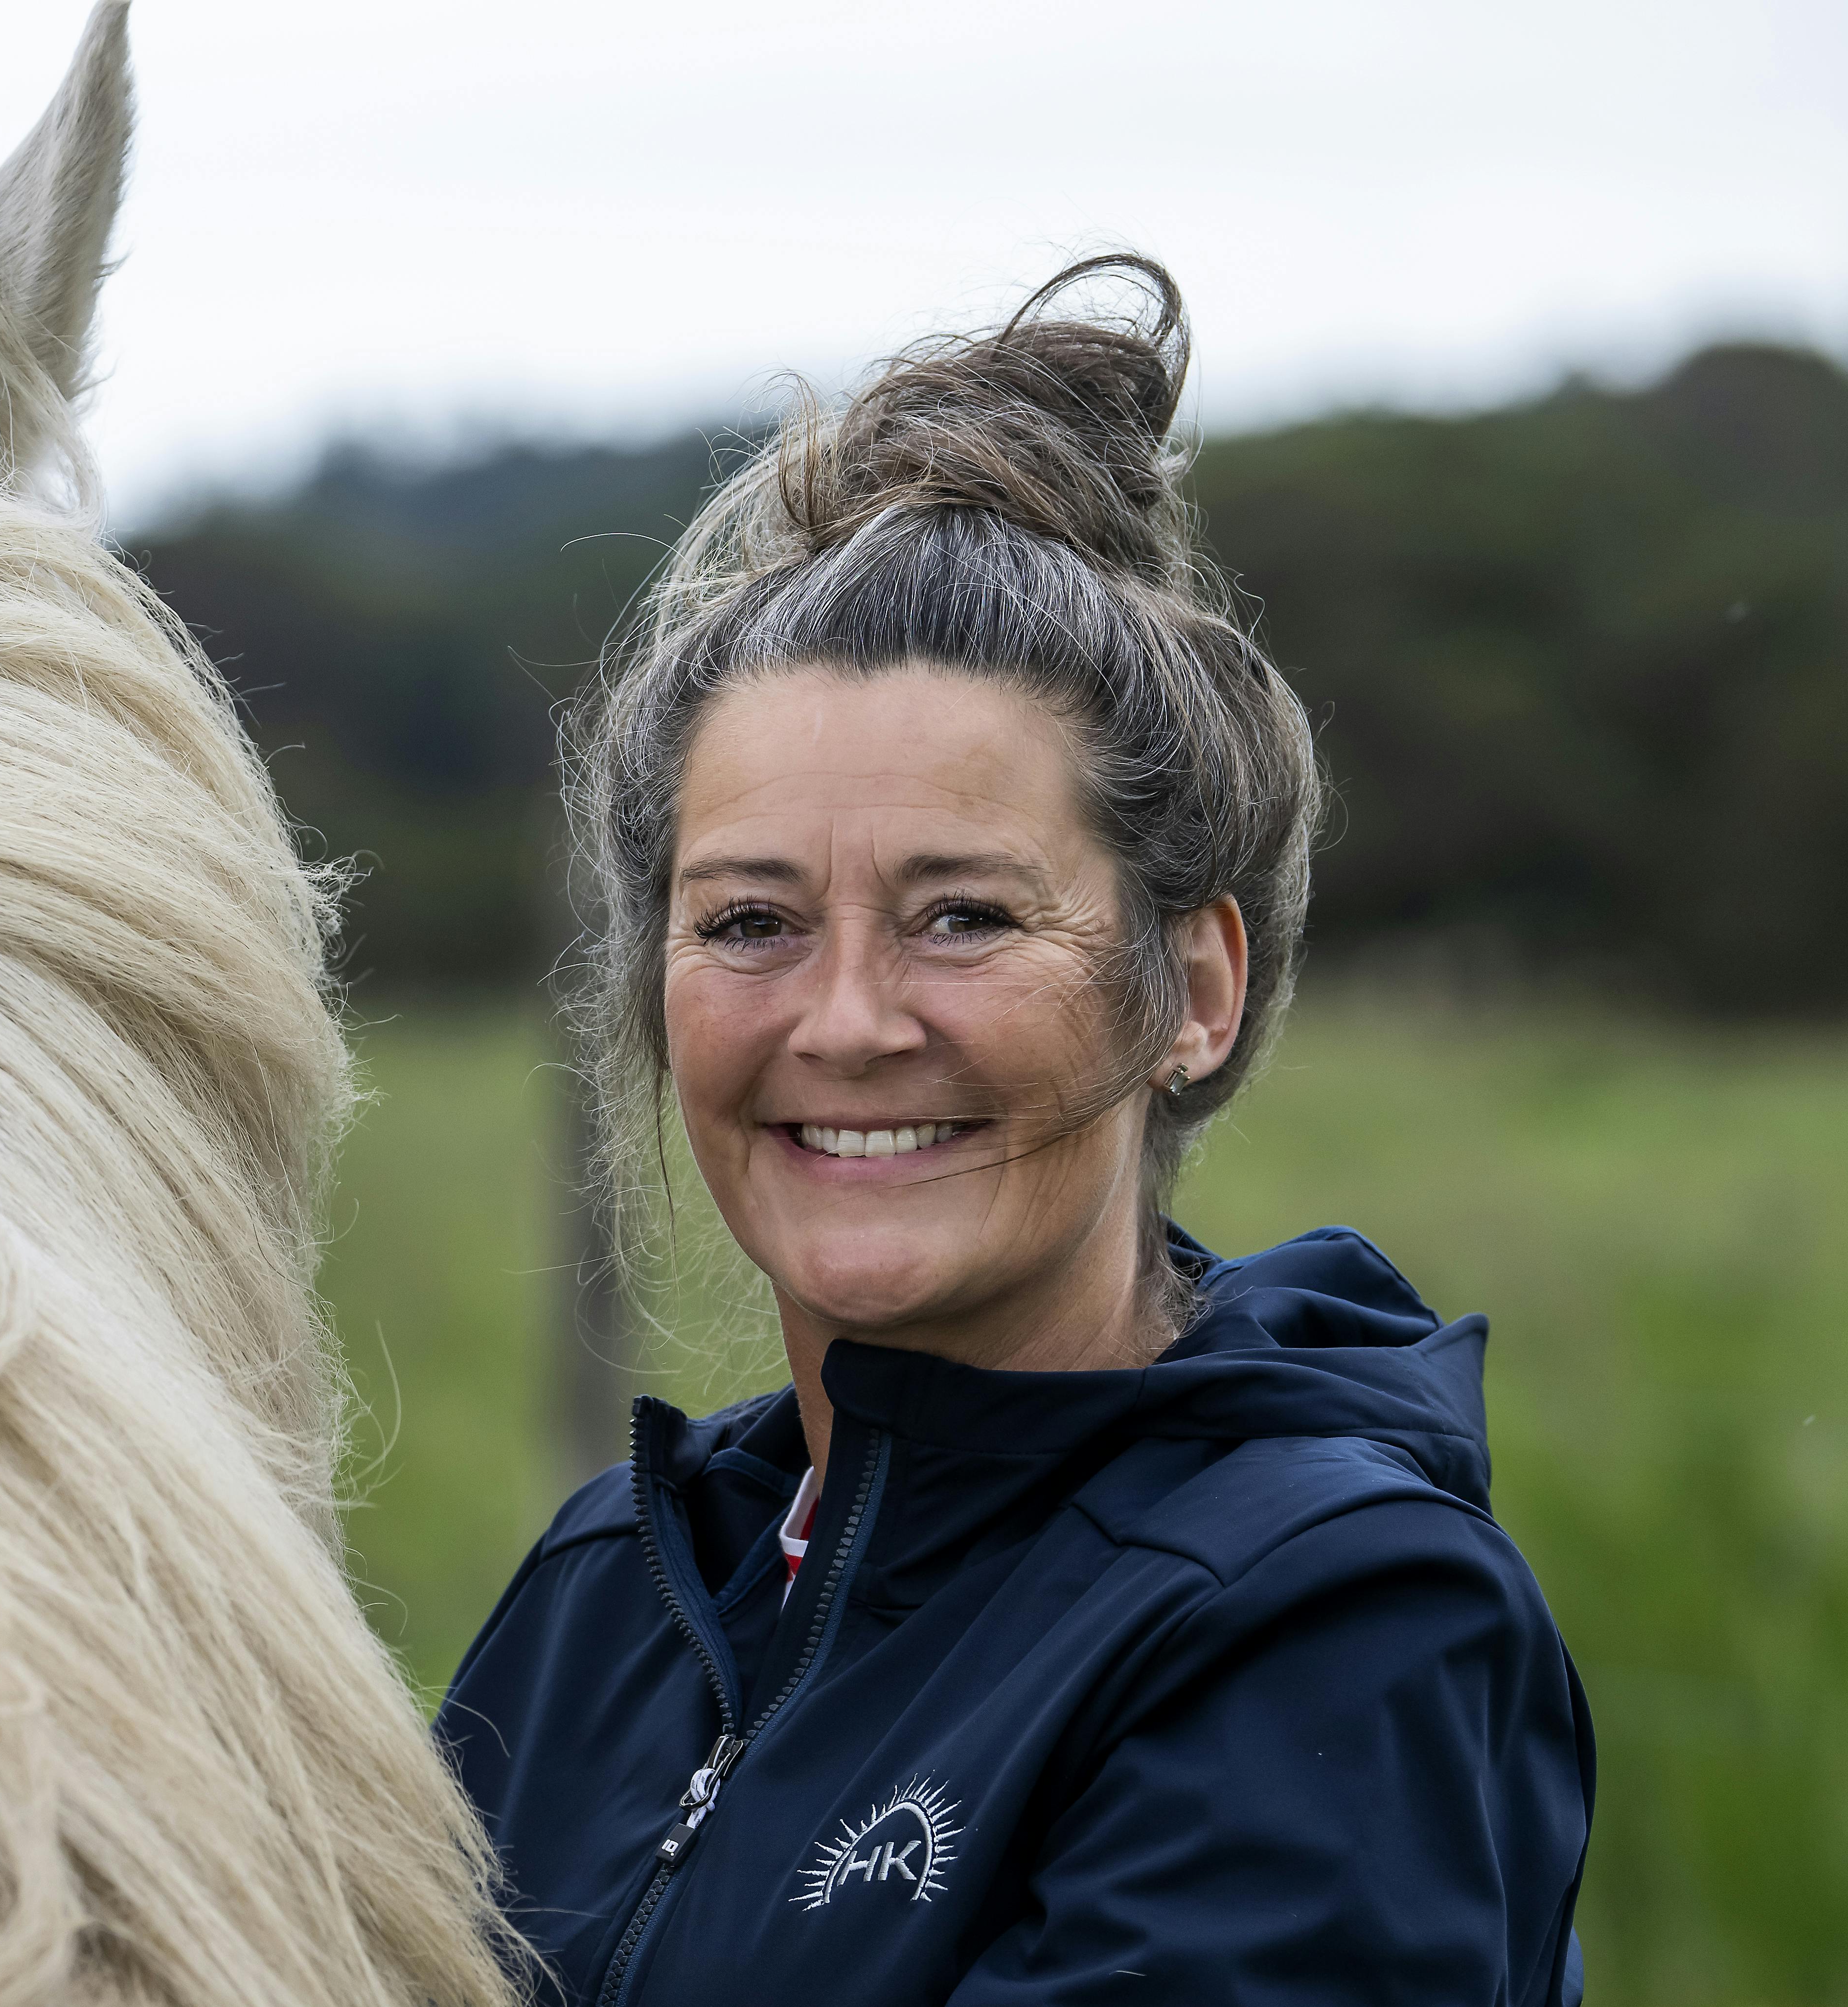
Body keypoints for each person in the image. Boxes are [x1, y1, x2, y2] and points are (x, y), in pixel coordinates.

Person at [436, 257, 1592, 2007]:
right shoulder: (608, 1595)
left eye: (961, 915)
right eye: (749, 922)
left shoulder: (1329, 1616)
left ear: (1193, 990)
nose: (843, 1019)